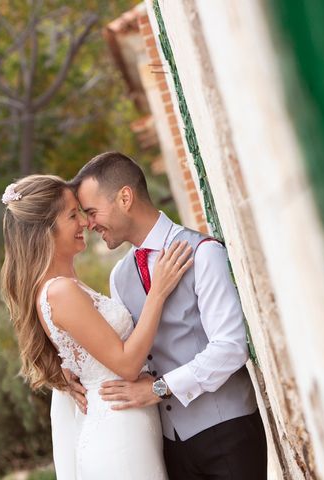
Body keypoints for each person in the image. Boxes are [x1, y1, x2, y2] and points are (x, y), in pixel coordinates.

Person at [68, 152, 267, 480]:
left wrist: (159, 388)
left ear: (125, 198)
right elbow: (131, 354)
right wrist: (71, 371)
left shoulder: (203, 253)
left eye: (91, 212)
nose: (89, 224)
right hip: (168, 446)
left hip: (227, 431)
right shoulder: (120, 276)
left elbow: (231, 348)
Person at [0, 174, 194, 479]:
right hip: (118, 438)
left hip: (130, 427)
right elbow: (128, 364)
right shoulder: (60, 291)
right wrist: (158, 292)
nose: (85, 223)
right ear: (45, 230)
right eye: (73, 215)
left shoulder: (65, 287)